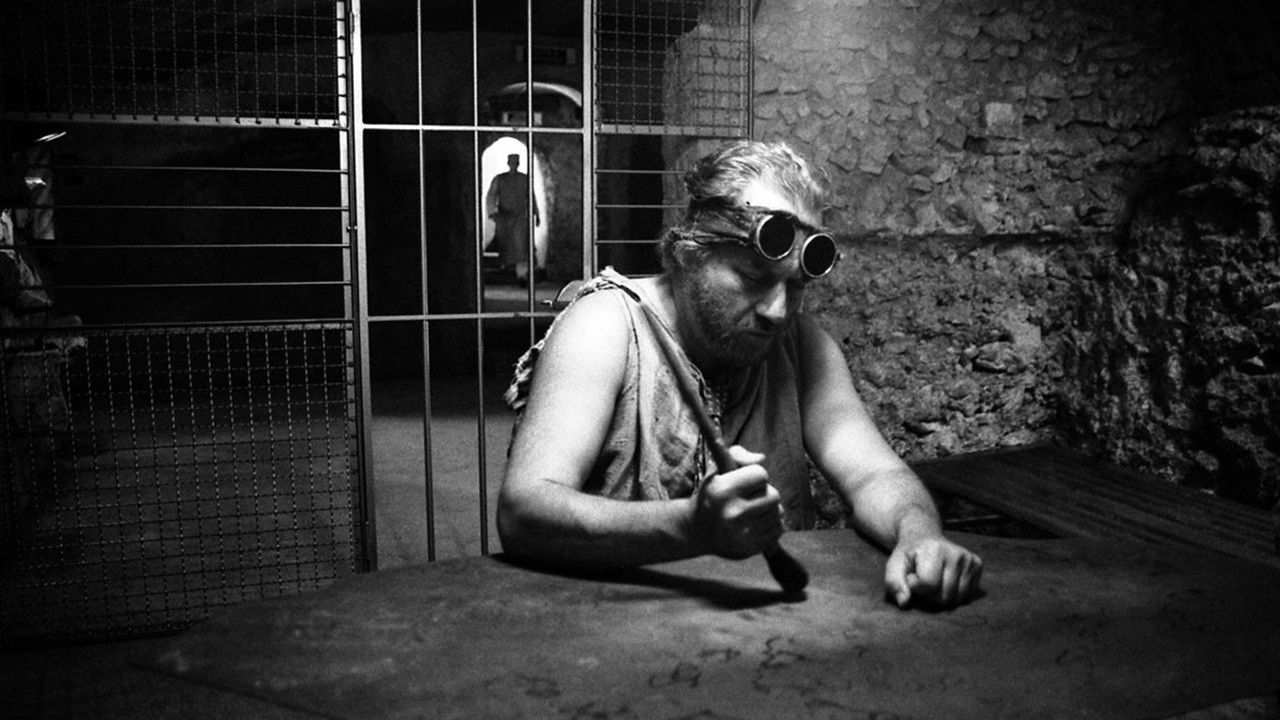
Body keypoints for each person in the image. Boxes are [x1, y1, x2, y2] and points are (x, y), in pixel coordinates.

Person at [498, 139, 982, 610]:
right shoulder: (606, 326)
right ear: (690, 252)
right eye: (753, 278)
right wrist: (691, 526)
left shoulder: (802, 346)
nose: (778, 311)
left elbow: (874, 473)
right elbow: (524, 512)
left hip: (766, 628)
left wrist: (919, 534)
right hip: (615, 621)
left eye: (796, 286)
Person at [485, 153, 540, 284]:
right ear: (508, 163)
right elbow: (491, 196)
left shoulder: (524, 179)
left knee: (521, 247)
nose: (513, 165)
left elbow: (531, 196)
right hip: (504, 219)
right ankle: (508, 269)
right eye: (512, 162)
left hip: (520, 219)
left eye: (515, 162)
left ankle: (522, 275)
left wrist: (536, 213)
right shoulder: (500, 179)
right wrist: (493, 213)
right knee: (506, 246)